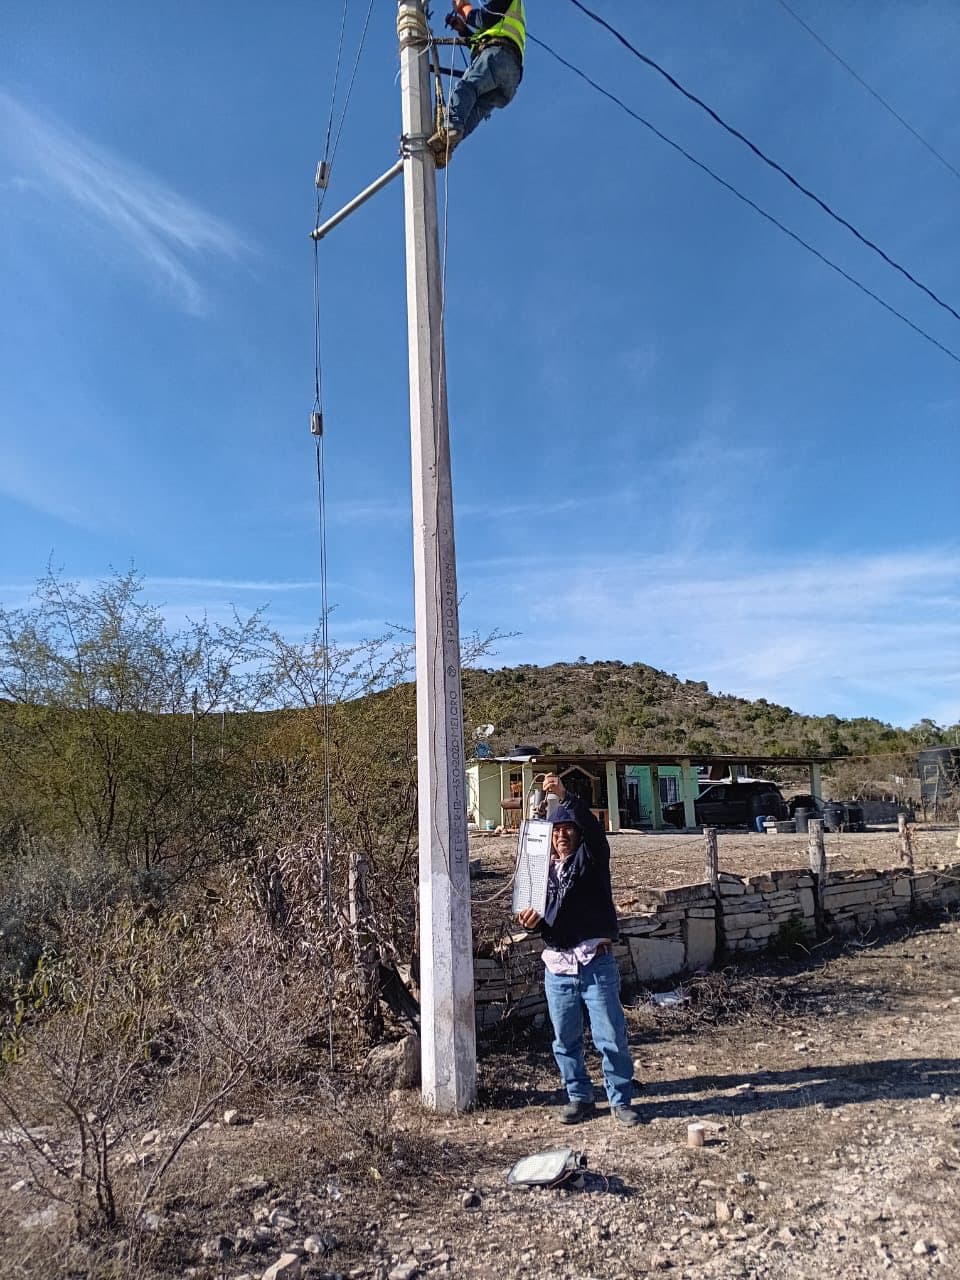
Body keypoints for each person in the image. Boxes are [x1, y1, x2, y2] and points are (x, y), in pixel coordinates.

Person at [517, 773, 640, 1127]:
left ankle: (620, 1100)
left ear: (578, 832)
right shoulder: (539, 872)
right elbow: (536, 917)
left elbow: (596, 834)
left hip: (594, 965)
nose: (562, 835)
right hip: (557, 968)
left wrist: (566, 797)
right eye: (556, 830)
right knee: (565, 1040)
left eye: (568, 829)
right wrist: (528, 922)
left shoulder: (592, 859)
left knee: (610, 1037)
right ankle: (579, 1097)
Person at [430, 0, 526, 167]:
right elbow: (483, 40)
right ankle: (447, 146)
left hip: (499, 55)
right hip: (510, 75)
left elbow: (483, 18)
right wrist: (463, 30)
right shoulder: (505, 19)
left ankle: (451, 127)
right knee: (475, 109)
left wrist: (463, 7)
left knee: (467, 87)